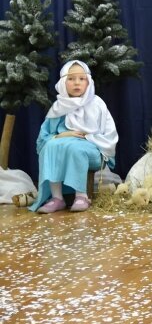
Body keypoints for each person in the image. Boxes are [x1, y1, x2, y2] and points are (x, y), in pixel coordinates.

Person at [29, 60, 118, 213]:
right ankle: (57, 198)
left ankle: (81, 196)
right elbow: (44, 137)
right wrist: (63, 134)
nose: (76, 83)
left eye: (81, 79)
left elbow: (109, 135)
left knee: (75, 147)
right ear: (63, 82)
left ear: (88, 81)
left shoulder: (97, 104)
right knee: (50, 146)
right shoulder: (59, 107)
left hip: (93, 150)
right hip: (63, 146)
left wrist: (88, 136)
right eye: (71, 79)